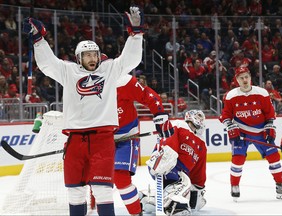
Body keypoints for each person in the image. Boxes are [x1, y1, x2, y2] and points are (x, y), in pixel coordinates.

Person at [23, 6, 144, 216]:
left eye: (95, 55)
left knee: (103, 191)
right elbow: (48, 65)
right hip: (75, 141)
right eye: (87, 55)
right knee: (75, 192)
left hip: (103, 140)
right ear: (79, 58)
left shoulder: (109, 70)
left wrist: (136, 34)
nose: (92, 59)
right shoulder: (68, 71)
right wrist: (39, 40)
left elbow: (130, 60)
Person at [219, 67, 282, 201]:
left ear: (250, 77)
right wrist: (230, 126)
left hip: (260, 131)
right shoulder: (231, 95)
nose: (244, 80)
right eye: (241, 78)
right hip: (241, 132)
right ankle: (235, 185)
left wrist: (270, 127)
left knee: (274, 156)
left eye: (246, 77)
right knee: (238, 159)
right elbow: (225, 116)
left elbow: (270, 114)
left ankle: (280, 185)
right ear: (237, 80)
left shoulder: (262, 93)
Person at [114, 72, 173, 215]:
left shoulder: (121, 80)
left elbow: (148, 95)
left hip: (126, 135)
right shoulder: (85, 84)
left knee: (120, 178)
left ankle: (135, 212)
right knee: (98, 184)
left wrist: (160, 117)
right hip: (100, 138)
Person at [144, 109, 207, 215]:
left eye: (202, 117)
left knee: (193, 198)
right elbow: (169, 139)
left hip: (180, 174)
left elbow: (199, 168)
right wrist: (164, 157)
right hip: (166, 164)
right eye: (198, 116)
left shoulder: (202, 143)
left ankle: (148, 198)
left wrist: (198, 186)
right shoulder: (179, 124)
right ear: (190, 116)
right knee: (181, 185)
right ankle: (175, 206)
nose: (201, 119)